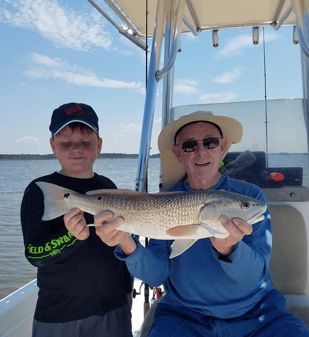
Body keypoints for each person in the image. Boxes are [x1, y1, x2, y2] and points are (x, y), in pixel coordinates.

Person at [95, 111, 309, 337]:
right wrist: (125, 242)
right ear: (178, 153)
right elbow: (156, 276)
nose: (201, 151)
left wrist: (230, 249)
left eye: (210, 142)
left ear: (222, 147)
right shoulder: (162, 202)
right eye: (189, 145)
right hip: (184, 317)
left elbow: (253, 278)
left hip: (258, 315)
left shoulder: (249, 198)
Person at [20, 102, 133, 337]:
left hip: (112, 310)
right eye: (66, 143)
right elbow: (35, 254)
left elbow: (120, 244)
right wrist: (70, 238)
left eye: (85, 142)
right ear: (53, 145)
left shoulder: (108, 187)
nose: (76, 149)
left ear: (99, 145)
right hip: (58, 315)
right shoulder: (38, 190)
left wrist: (127, 291)